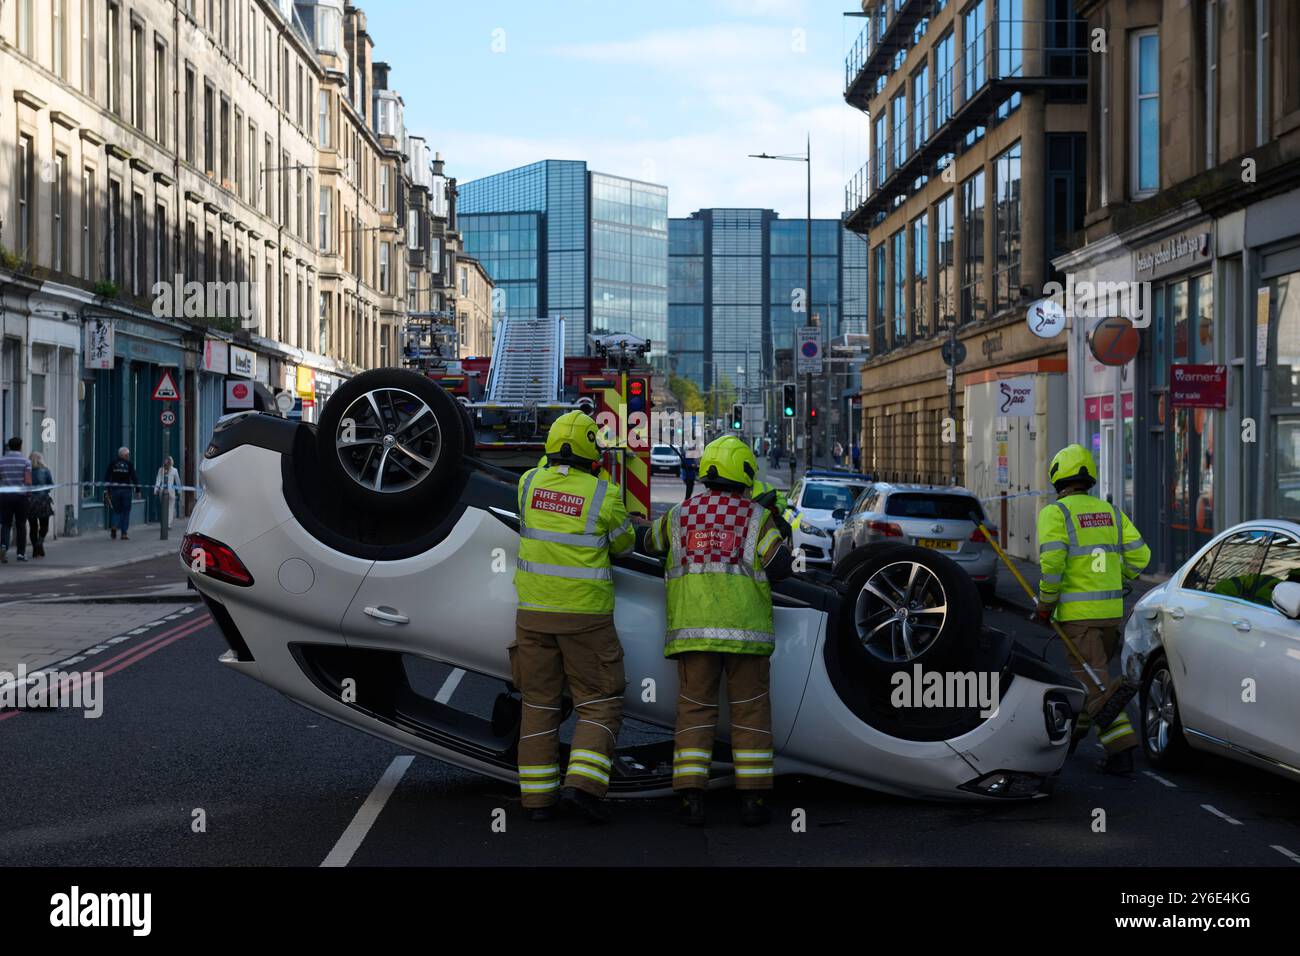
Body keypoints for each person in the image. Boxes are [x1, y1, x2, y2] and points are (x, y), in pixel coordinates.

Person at [643, 436, 794, 827]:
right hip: (746, 635)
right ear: (744, 473)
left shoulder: (679, 515)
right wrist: (774, 522)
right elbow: (780, 567)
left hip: (692, 634)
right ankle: (753, 802)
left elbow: (648, 542)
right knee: (750, 714)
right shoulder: (756, 518)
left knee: (694, 712)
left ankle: (690, 797)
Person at [511, 411, 636, 823]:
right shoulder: (604, 493)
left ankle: (537, 802)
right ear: (591, 449)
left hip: (533, 615)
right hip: (586, 617)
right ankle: (582, 788)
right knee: (599, 703)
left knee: (539, 704)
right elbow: (623, 547)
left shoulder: (529, 483)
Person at [1036, 444, 1150, 775]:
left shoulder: (1056, 513)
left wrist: (1045, 604)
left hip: (1077, 619)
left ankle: (1122, 751)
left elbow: (1052, 564)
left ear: (1057, 477)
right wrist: (1120, 575)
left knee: (1099, 689)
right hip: (1111, 617)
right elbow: (1141, 557)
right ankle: (1072, 736)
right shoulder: (1110, 512)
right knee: (1093, 679)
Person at [0, 437, 32, 563]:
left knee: (6, 524)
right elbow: (28, 481)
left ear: (9, 446)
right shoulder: (25, 462)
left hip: (5, 496)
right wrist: (29, 494)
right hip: (21, 497)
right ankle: (21, 553)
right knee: (21, 525)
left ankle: (3, 549)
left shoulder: (1, 461)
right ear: (20, 446)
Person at [104, 447, 139, 540]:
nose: (128, 456)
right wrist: (138, 490)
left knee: (116, 510)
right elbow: (134, 477)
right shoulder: (129, 464)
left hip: (115, 490)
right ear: (125, 455)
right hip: (126, 491)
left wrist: (107, 489)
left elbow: (107, 477)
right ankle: (124, 533)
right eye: (128, 455)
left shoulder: (113, 463)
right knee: (126, 512)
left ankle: (114, 526)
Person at [26, 452, 54, 559]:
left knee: (33, 527)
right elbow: (51, 485)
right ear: (40, 459)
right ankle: (40, 543)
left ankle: (35, 548)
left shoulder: (27, 471)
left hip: (30, 502)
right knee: (44, 526)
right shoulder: (46, 471)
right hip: (43, 501)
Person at [154, 455, 182, 520]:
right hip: (165, 491)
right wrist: (179, 491)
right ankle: (168, 522)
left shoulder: (173, 470)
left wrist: (156, 489)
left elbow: (158, 480)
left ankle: (167, 522)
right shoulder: (162, 470)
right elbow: (178, 482)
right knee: (169, 507)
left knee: (167, 507)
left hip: (168, 491)